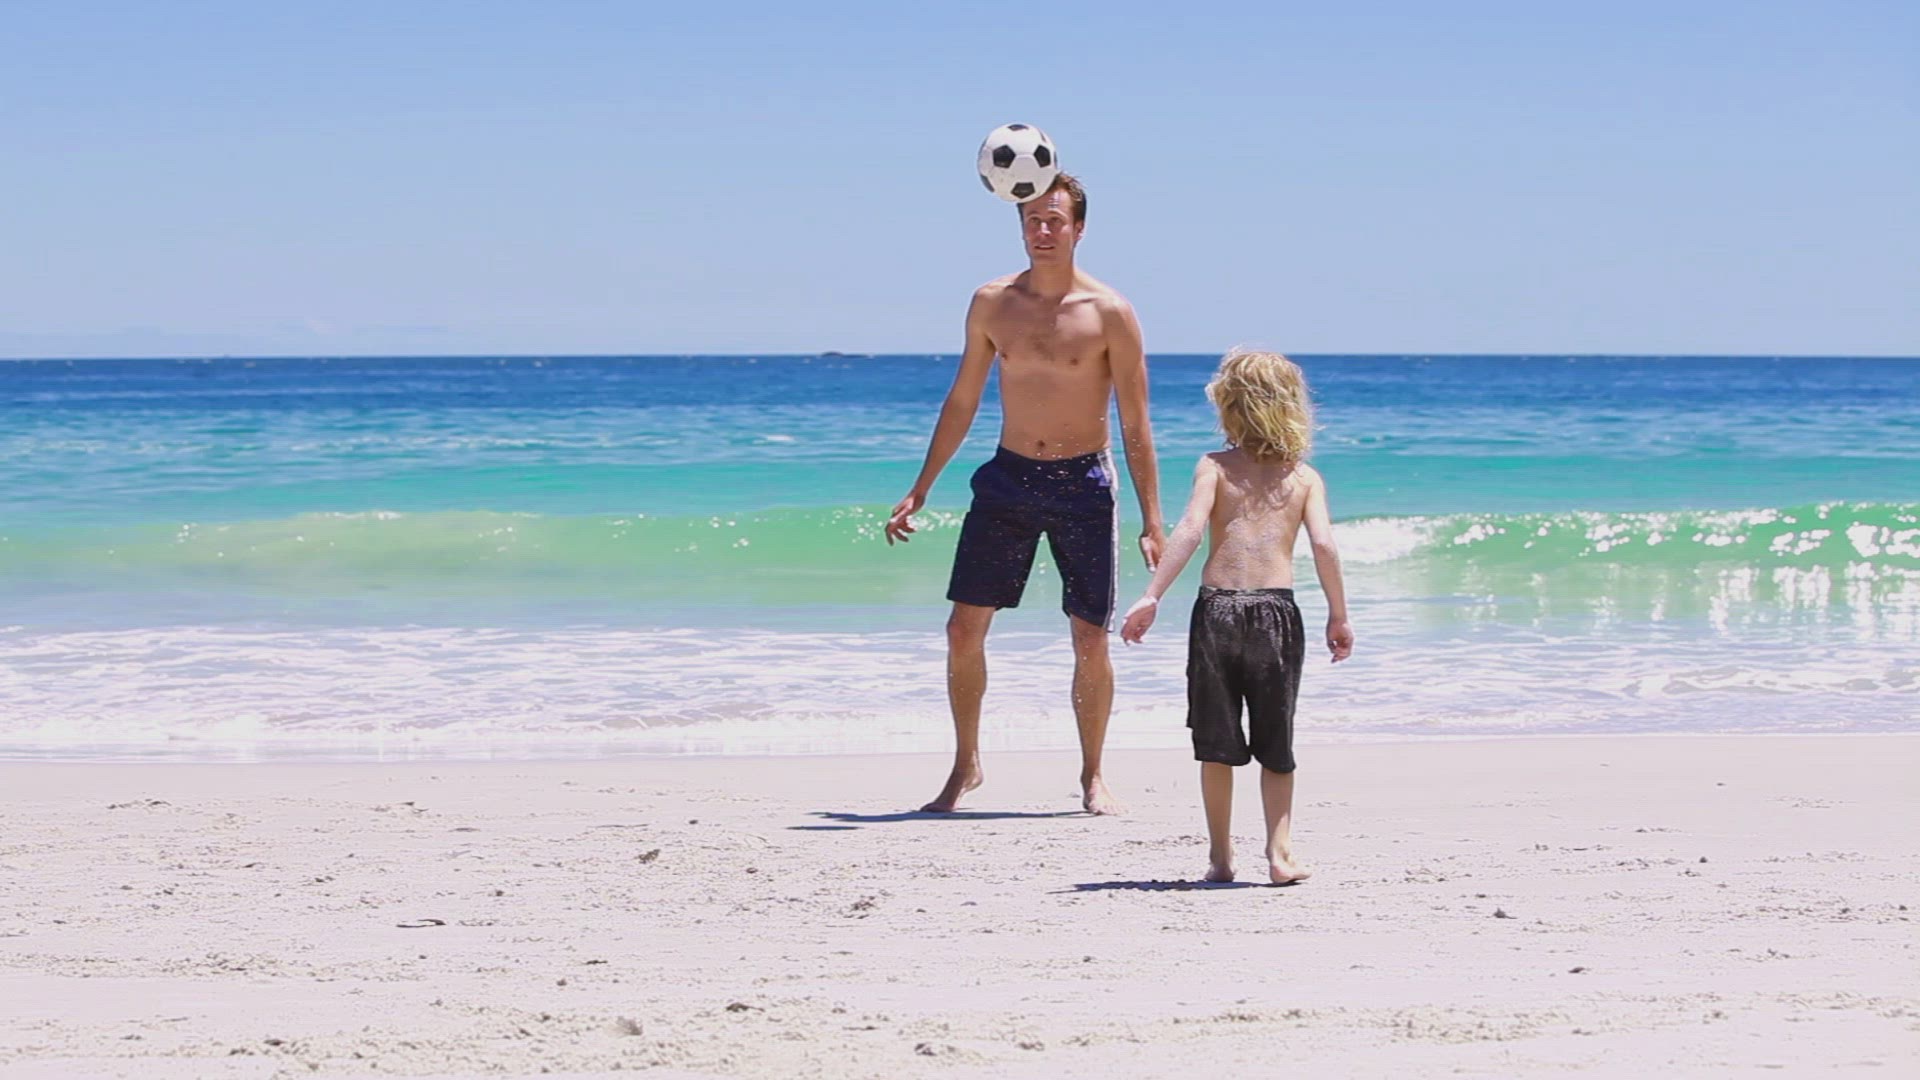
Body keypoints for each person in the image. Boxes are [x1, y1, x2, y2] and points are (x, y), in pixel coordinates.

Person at [884, 172, 1165, 815]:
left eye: (1055, 219)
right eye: (1033, 219)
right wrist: (921, 487)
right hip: (1009, 476)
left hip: (1084, 481)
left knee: (1089, 637)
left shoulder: (1110, 312)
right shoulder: (992, 303)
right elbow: (963, 399)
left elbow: (1136, 422)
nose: (1043, 230)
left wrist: (1152, 518)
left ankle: (1093, 775)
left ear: (1079, 229)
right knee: (962, 629)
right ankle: (966, 766)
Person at [1119, 349, 1353, 883]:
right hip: (1276, 614)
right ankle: (1279, 854)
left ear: (1227, 407)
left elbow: (1189, 530)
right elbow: (1324, 545)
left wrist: (1152, 595)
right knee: (1276, 740)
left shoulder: (1214, 466)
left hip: (1217, 612)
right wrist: (1338, 614)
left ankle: (1221, 858)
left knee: (1216, 742)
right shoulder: (1304, 479)